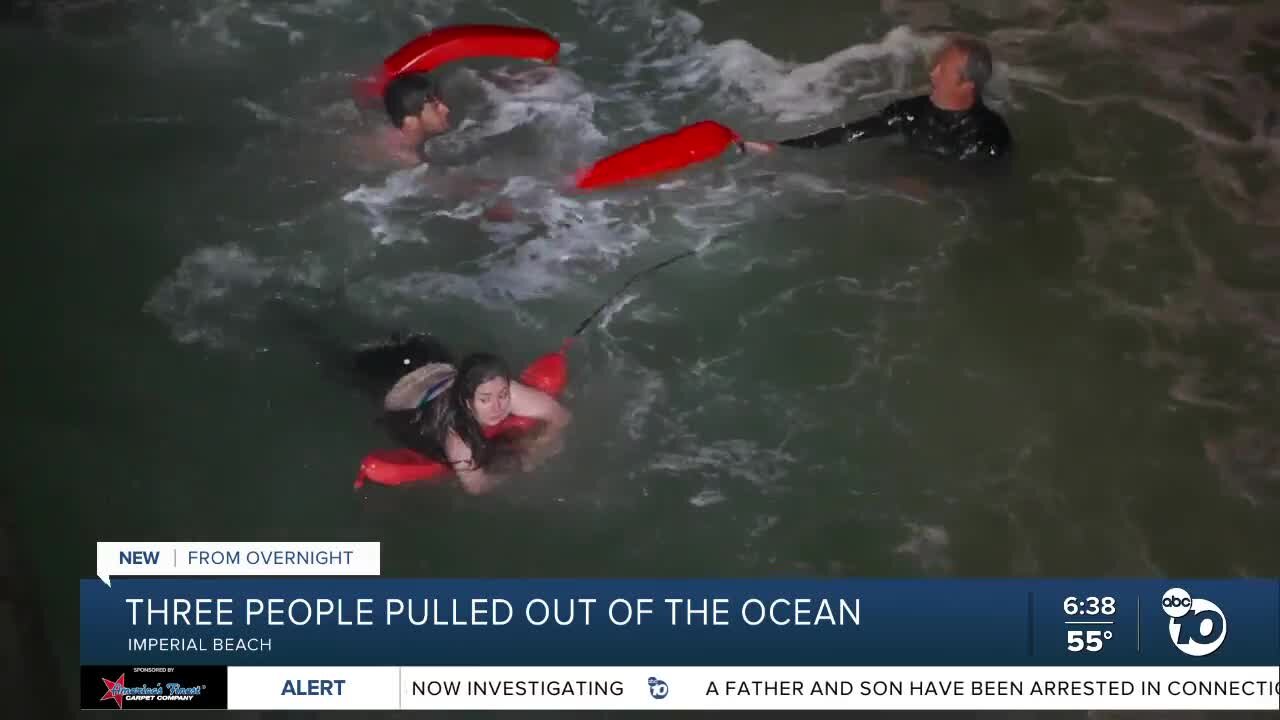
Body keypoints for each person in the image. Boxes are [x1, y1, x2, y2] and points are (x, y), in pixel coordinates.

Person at [741, 34, 1012, 163]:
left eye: (944, 70)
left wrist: (929, 186)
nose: (932, 72)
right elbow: (850, 133)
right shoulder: (909, 112)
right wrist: (783, 146)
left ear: (967, 85)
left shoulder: (989, 138)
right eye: (936, 64)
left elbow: (979, 189)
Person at [378, 348, 571, 495]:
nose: (498, 407)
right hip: (399, 399)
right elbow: (476, 486)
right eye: (485, 400)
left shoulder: (504, 390)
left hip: (435, 363)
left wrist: (540, 443)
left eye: (503, 395)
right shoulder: (457, 437)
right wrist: (519, 462)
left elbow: (560, 416)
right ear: (467, 402)